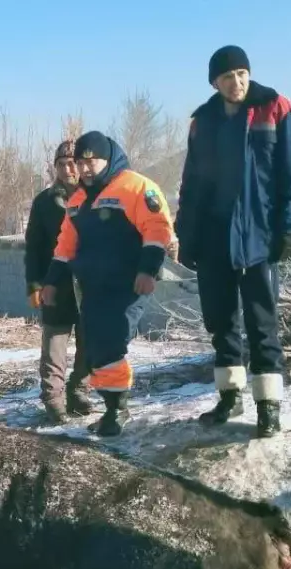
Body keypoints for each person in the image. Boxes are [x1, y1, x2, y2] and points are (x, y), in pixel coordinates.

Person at [174, 45, 291, 438]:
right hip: (214, 237)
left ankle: (268, 405)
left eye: (242, 74)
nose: (237, 82)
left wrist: (289, 228)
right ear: (215, 82)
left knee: (261, 322)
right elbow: (192, 183)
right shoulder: (203, 121)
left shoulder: (276, 108)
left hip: (258, 238)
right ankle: (230, 396)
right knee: (220, 320)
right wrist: (188, 234)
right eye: (228, 77)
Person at [41, 131, 176, 437]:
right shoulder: (77, 201)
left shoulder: (136, 187)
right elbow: (65, 246)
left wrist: (148, 269)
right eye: (80, 162)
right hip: (93, 287)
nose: (85, 168)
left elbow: (157, 229)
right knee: (96, 346)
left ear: (108, 158)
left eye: (92, 162)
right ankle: (112, 404)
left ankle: (117, 409)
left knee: (112, 341)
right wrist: (51, 281)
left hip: (128, 284)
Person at [25, 139, 94, 423]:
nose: (68, 169)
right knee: (55, 345)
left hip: (89, 282)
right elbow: (33, 247)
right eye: (62, 164)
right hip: (56, 283)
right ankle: (53, 399)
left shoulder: (96, 196)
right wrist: (34, 284)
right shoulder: (44, 202)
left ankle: (79, 390)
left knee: (89, 342)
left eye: (72, 163)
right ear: (55, 167)